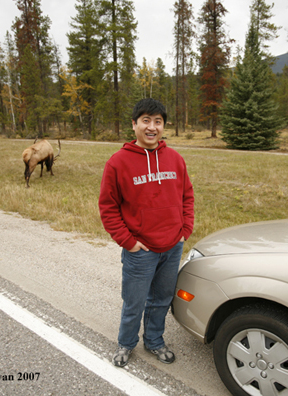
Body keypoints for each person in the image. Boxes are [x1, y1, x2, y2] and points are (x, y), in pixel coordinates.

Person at [98, 98, 195, 367]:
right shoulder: (118, 163)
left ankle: (154, 341)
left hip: (172, 246)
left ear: (164, 126)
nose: (152, 127)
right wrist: (128, 242)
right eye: (146, 121)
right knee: (135, 301)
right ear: (134, 124)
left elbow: (187, 195)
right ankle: (126, 343)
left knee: (161, 300)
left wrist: (184, 229)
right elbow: (108, 207)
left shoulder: (175, 159)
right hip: (141, 251)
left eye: (158, 121)